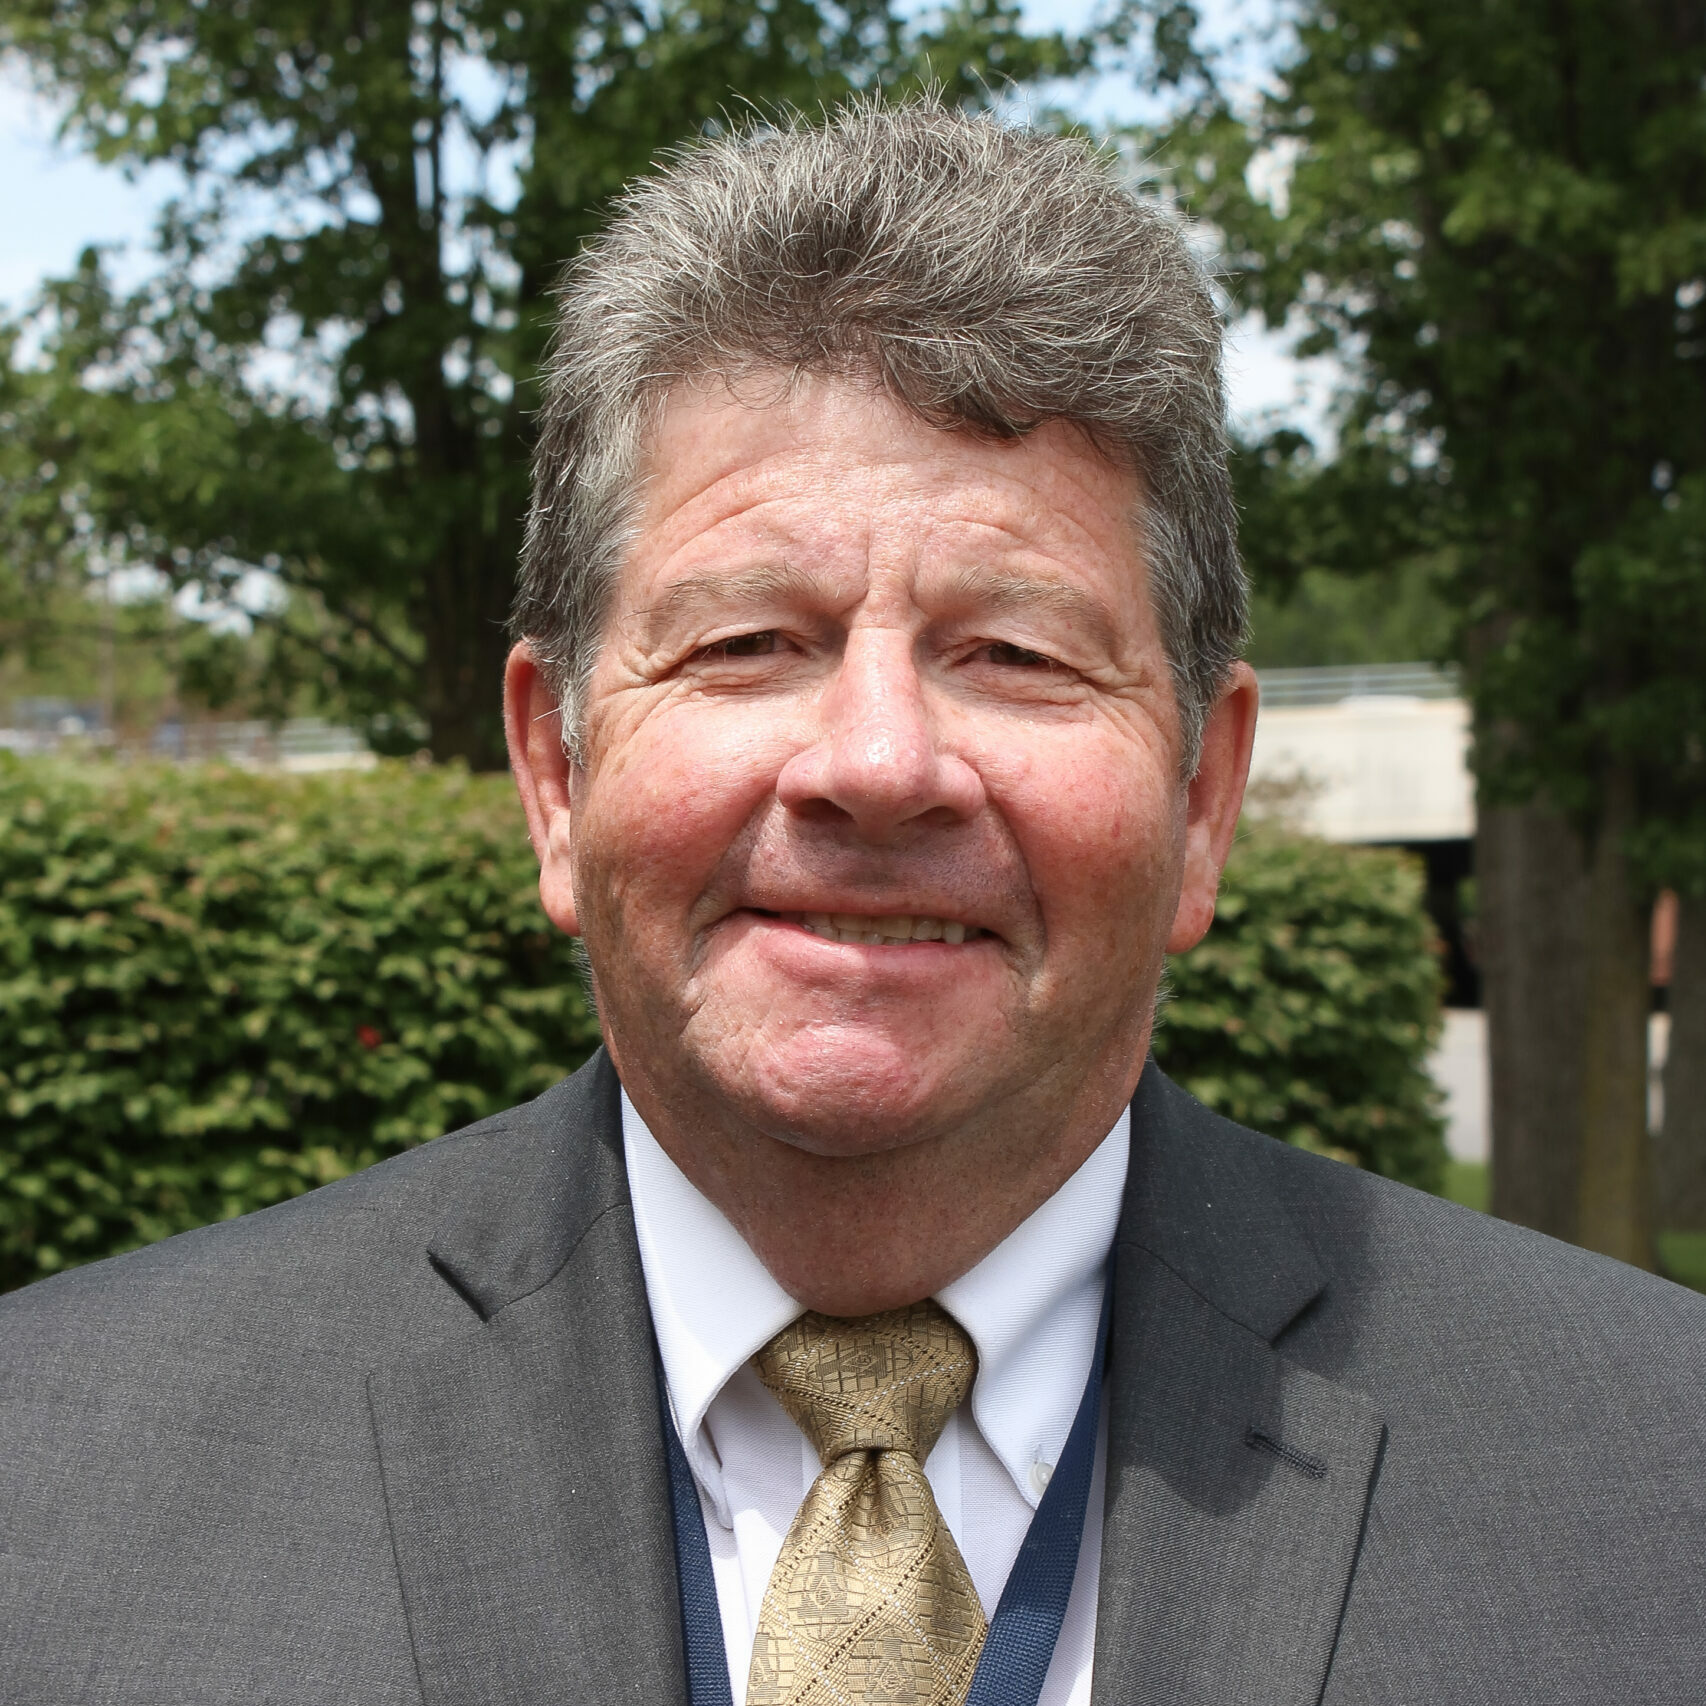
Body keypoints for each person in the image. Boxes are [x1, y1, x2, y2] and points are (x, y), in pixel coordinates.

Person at [2, 98, 1703, 1706]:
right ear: (557, 771)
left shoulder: (1650, 1478)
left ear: (1201, 794)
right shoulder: (56, 1474)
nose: (877, 761)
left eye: (1014, 653)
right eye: (750, 642)